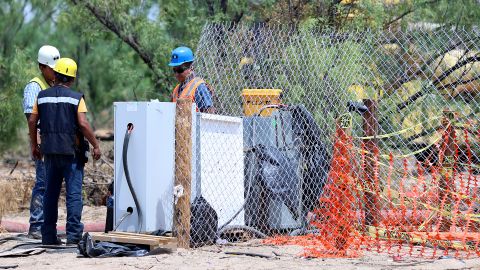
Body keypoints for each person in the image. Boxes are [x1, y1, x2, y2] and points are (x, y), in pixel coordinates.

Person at [28, 58, 101, 245]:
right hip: (72, 154)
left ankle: (48, 237)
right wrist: (96, 145)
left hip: (50, 153)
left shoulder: (42, 96)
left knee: (50, 194)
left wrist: (35, 146)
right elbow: (83, 124)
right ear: (73, 79)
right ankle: (74, 236)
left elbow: (31, 121)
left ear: (56, 75)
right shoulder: (77, 98)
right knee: (74, 195)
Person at [22, 45, 60, 239]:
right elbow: (31, 118)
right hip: (43, 144)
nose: (55, 72)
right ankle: (36, 225)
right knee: (43, 184)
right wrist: (35, 146)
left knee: (52, 185)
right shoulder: (34, 86)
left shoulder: (54, 85)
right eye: (52, 68)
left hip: (55, 143)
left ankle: (47, 226)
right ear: (42, 67)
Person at [169, 46, 214, 113]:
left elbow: (209, 113)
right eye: (174, 70)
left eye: (180, 70)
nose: (176, 74)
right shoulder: (176, 89)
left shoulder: (199, 87)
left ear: (191, 68)